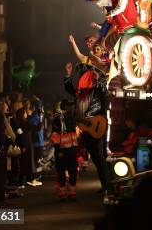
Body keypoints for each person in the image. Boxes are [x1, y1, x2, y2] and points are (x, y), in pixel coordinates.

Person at [64, 62, 109, 194]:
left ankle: (108, 186)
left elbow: (104, 91)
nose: (81, 78)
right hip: (86, 129)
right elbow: (69, 89)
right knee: (96, 158)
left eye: (83, 75)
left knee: (100, 158)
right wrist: (68, 74)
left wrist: (98, 78)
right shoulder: (80, 93)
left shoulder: (97, 90)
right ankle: (105, 184)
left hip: (97, 125)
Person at [51, 99, 79, 201]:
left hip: (72, 150)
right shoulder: (59, 119)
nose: (72, 108)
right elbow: (55, 136)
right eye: (69, 106)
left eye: (72, 106)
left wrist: (77, 148)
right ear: (65, 107)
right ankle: (62, 193)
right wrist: (58, 150)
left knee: (73, 171)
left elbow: (76, 135)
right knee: (61, 172)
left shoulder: (74, 119)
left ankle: (72, 192)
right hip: (62, 151)